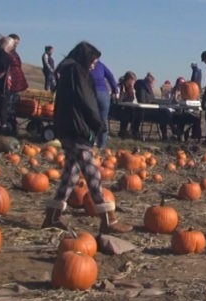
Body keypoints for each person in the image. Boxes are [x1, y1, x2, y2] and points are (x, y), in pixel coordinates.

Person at [41, 41, 132, 234]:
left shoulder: (67, 71)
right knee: (92, 173)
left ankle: (52, 217)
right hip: (77, 129)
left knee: (70, 175)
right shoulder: (77, 72)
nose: (94, 65)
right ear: (85, 58)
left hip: (67, 127)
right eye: (93, 61)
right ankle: (108, 219)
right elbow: (86, 101)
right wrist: (98, 124)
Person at [0, 34, 28, 136]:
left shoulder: (15, 53)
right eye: (15, 42)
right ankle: (7, 124)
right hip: (10, 80)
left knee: (14, 102)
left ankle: (11, 123)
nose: (16, 44)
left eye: (17, 43)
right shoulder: (7, 53)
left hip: (16, 80)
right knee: (8, 103)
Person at [90, 59, 119, 148]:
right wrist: (115, 90)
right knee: (103, 120)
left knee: (89, 118)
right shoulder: (101, 65)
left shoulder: (85, 64)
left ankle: (90, 143)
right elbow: (110, 76)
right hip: (103, 93)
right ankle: (101, 146)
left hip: (90, 93)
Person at [116, 71, 139, 139]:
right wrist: (122, 92)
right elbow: (118, 100)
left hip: (129, 108)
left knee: (137, 113)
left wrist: (132, 90)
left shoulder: (132, 90)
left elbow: (134, 100)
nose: (133, 82)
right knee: (127, 112)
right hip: (118, 109)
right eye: (133, 80)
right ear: (128, 80)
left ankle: (134, 132)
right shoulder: (119, 87)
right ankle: (123, 131)